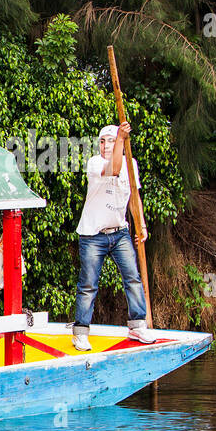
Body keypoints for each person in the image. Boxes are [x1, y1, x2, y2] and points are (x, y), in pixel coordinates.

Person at [72, 122, 156, 350]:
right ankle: (80, 331)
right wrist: (120, 138)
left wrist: (142, 226)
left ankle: (137, 325)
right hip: (93, 235)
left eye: (111, 140)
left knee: (133, 278)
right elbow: (114, 170)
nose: (106, 145)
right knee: (88, 284)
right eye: (102, 141)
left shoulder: (132, 164)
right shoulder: (95, 163)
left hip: (119, 232)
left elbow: (134, 195)